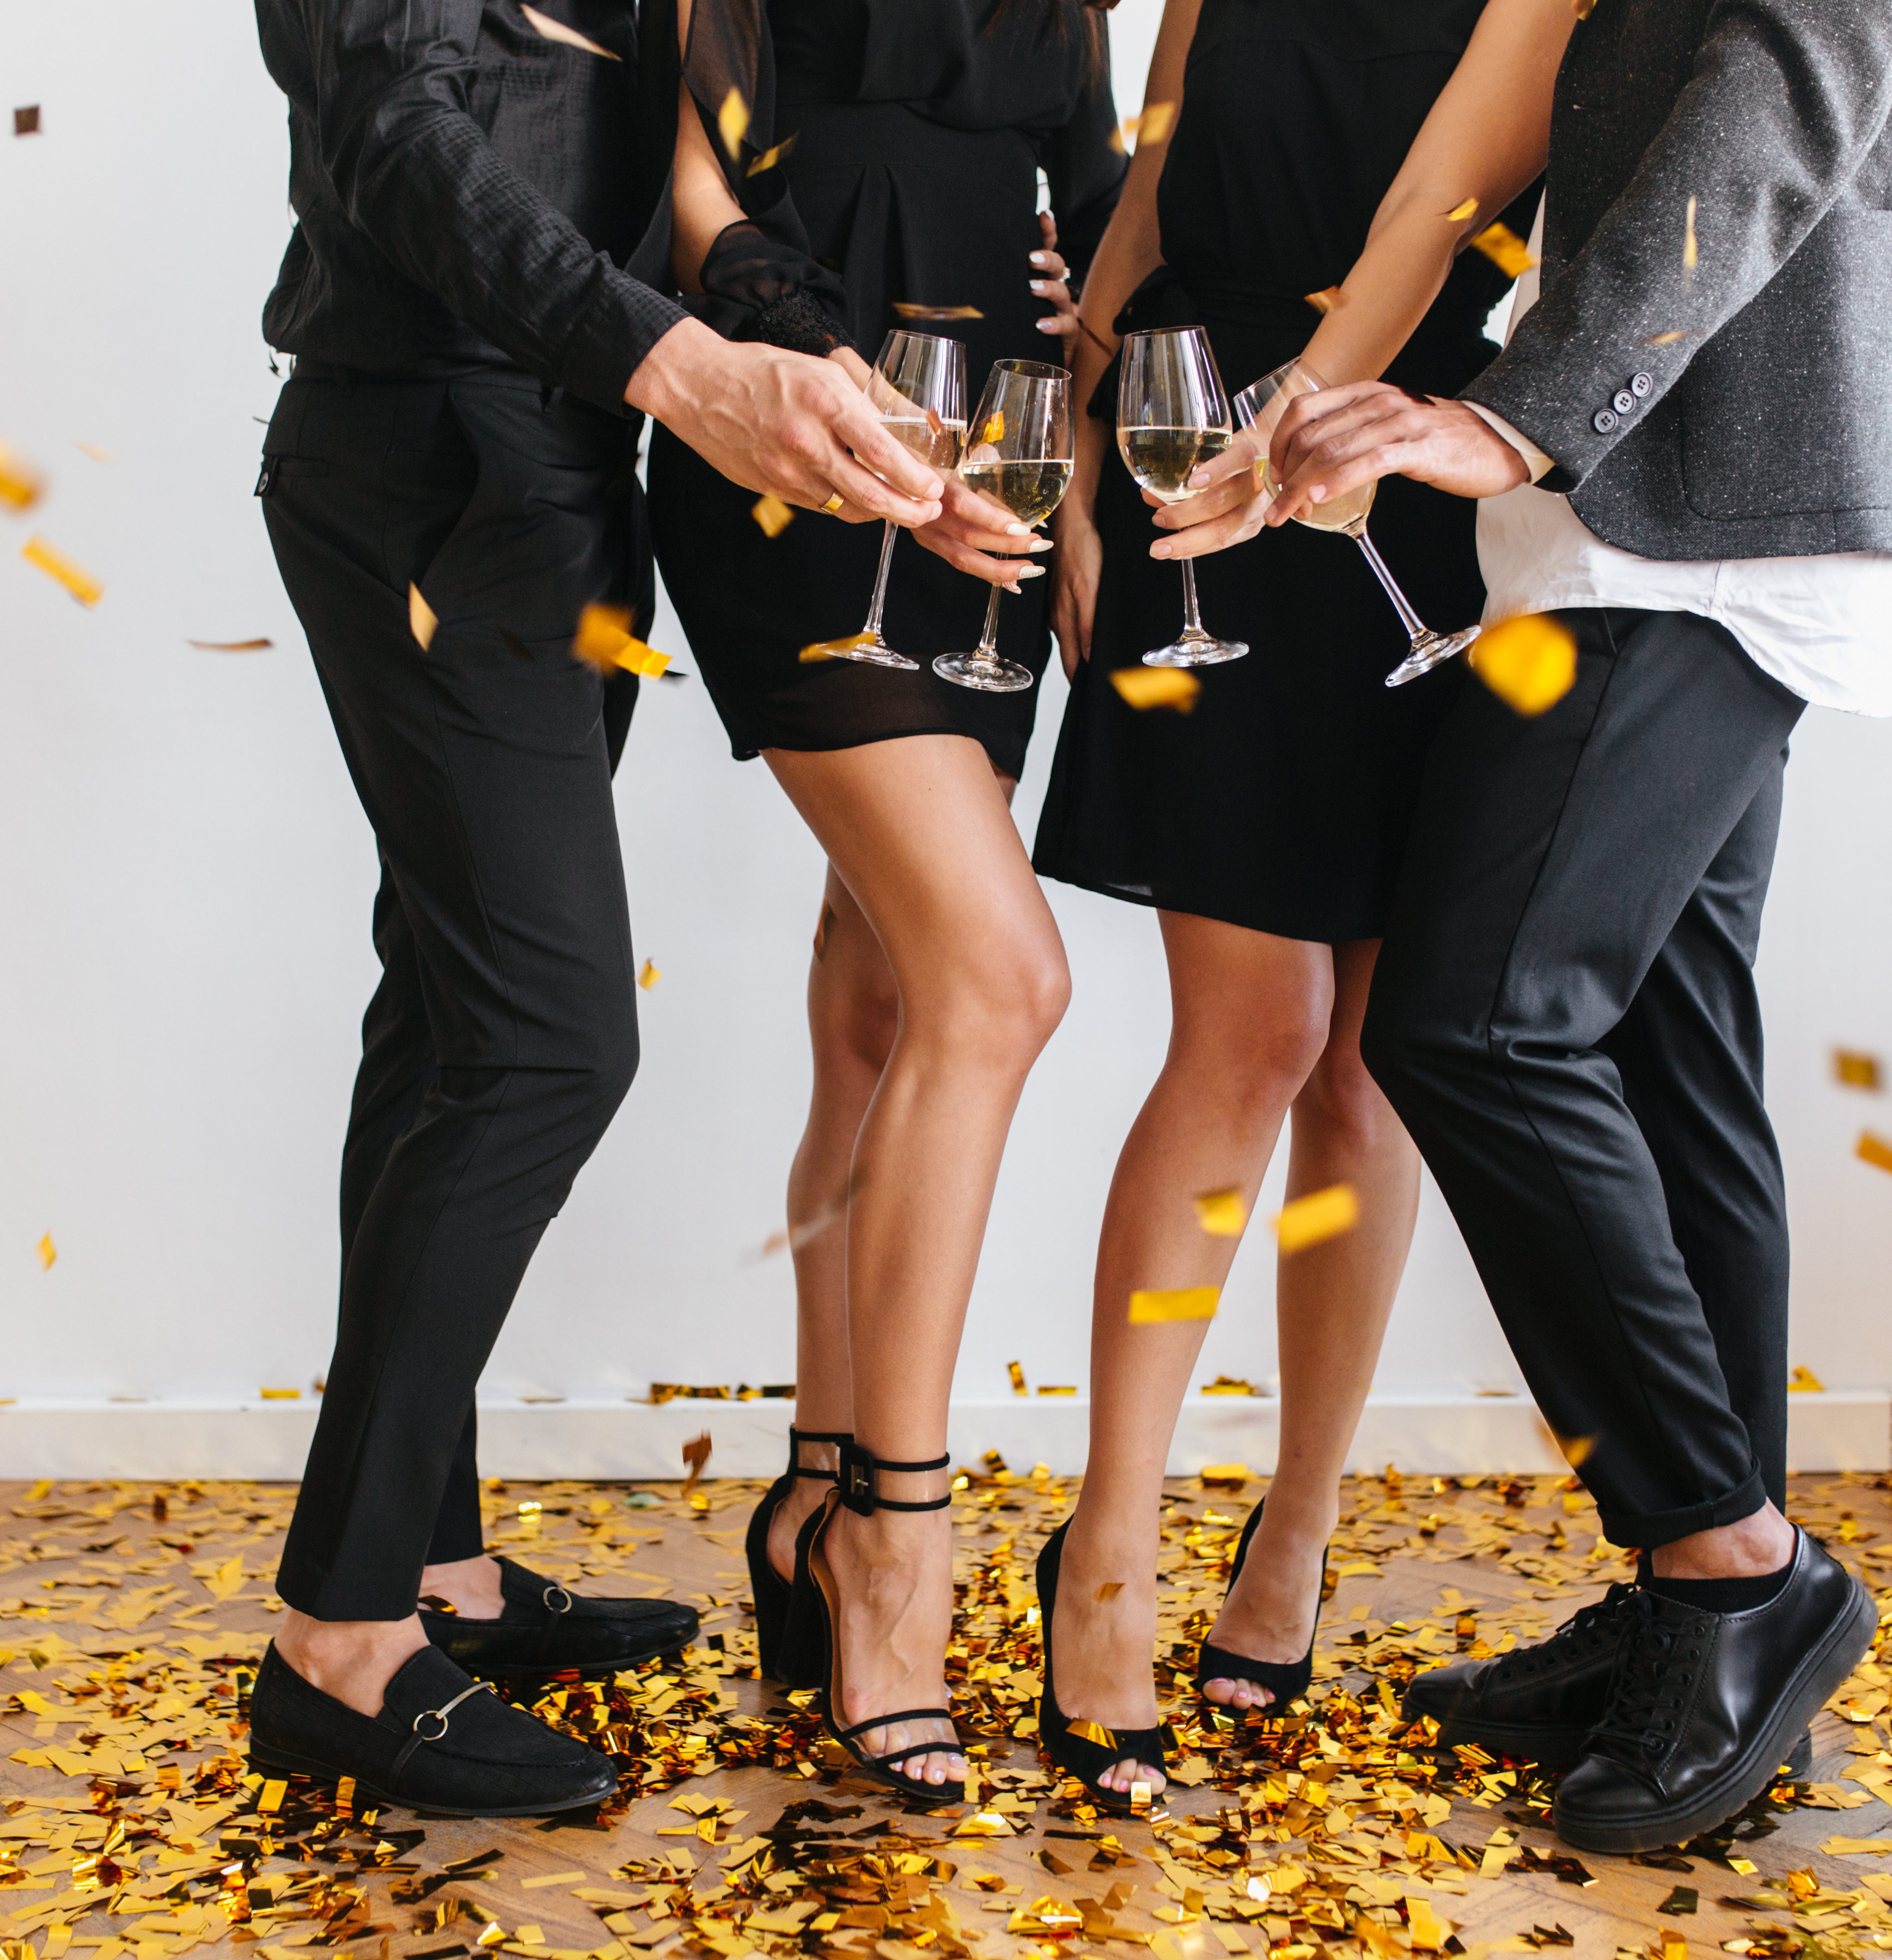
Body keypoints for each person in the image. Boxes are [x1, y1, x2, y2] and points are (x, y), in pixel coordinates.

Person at [1266, 0, 1892, 1852]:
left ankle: (1735, 1567)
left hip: (1729, 485)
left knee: (1478, 1023)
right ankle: (1701, 1602)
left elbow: (1782, 99)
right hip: (1680, 481)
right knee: (1669, 1051)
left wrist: (1513, 416)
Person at [241, 0, 964, 1819]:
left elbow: (686, 194)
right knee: (548, 1037)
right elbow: (389, 136)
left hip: (565, 472)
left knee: (447, 1014)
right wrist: (678, 368)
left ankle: (437, 1570)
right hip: (422, 459)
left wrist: (834, 378)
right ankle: (337, 1638)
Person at [1023, 0, 1572, 1800]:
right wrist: (1087, 438)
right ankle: (1107, 1546)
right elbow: (1157, 182)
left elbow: (1474, 218)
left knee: (1374, 1068)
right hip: (1200, 458)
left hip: (1410, 475)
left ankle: (1301, 1523)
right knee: (1252, 1038)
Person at [651, 0, 1120, 1798]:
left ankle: (815, 1482)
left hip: (993, 455)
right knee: (999, 983)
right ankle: (893, 1553)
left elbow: (1095, 185)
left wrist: (1078, 451)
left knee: (888, 998)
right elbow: (670, 173)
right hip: (804, 430)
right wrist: (828, 372)